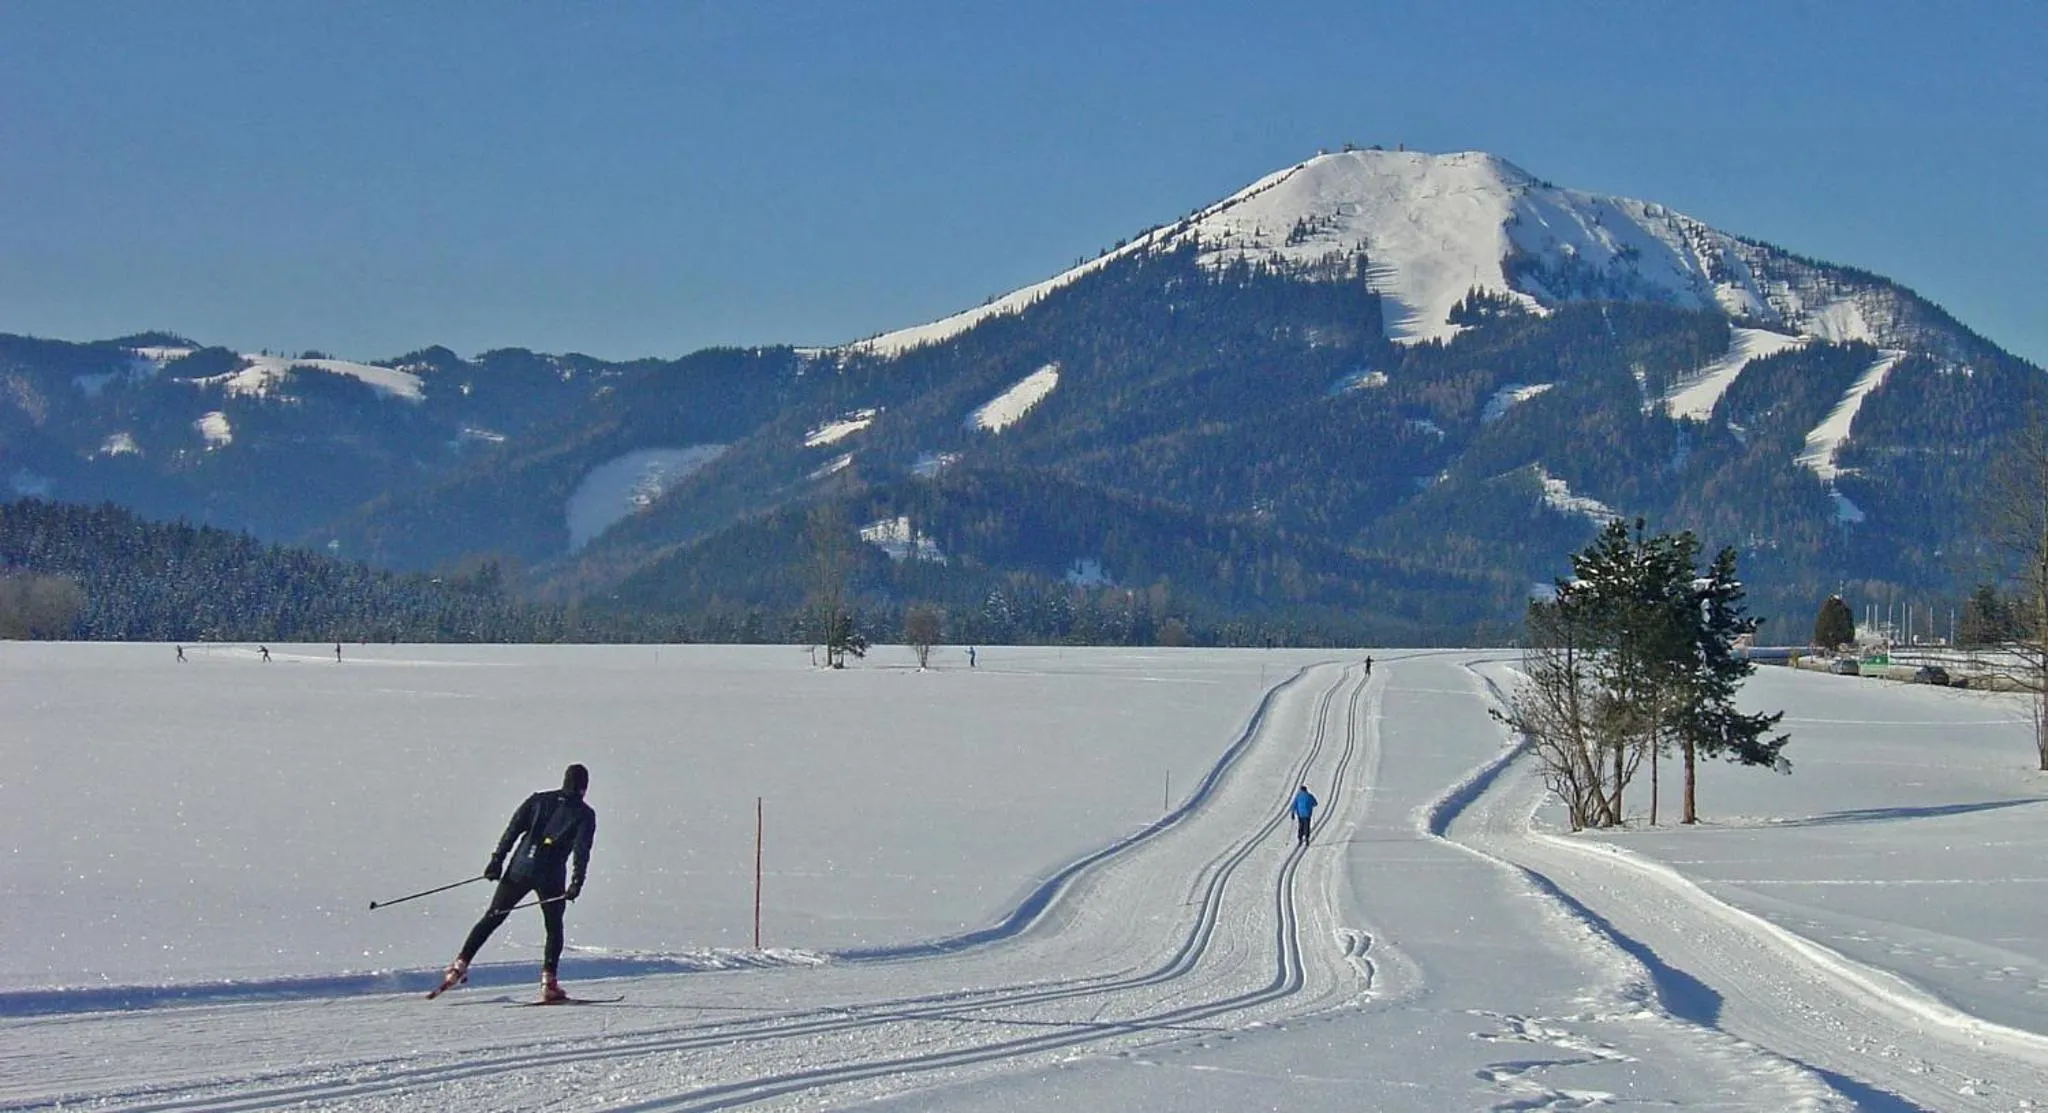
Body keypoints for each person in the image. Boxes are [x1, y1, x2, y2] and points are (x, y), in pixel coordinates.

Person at [431, 763, 598, 1002]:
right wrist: (576, 883)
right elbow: (582, 850)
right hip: (550, 875)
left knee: (493, 916)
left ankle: (459, 965)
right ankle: (549, 983)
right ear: (584, 787)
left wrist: (496, 861)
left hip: (520, 868)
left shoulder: (538, 800)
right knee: (553, 927)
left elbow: (513, 830)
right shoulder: (584, 814)